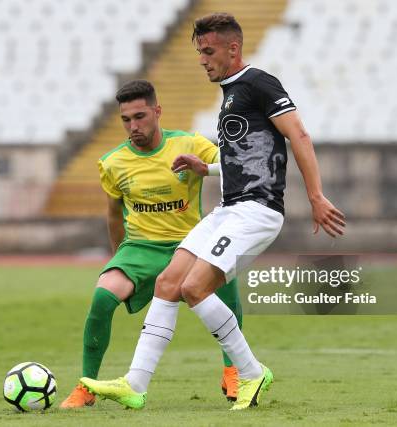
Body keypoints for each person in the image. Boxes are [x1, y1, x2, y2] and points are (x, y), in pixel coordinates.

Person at [80, 13, 345, 411]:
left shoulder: (259, 83)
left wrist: (316, 196)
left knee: (193, 288)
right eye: (199, 52)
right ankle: (135, 384)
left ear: (232, 48)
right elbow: (251, 153)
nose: (202, 60)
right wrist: (209, 168)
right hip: (228, 208)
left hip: (256, 211)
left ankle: (251, 372)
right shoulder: (230, 93)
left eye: (208, 51)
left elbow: (298, 135)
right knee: (169, 284)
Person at [60, 79, 244, 408]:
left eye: (140, 116)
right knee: (102, 296)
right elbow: (114, 215)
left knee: (226, 280)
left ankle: (233, 370)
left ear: (157, 112)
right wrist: (119, 259)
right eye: (126, 120)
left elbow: (233, 167)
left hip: (189, 243)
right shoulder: (113, 163)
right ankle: (86, 386)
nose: (133, 126)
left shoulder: (189, 143)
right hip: (140, 249)